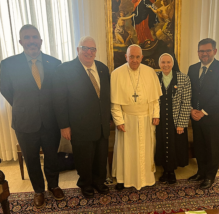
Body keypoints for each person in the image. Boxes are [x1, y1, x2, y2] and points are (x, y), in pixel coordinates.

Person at [0, 24, 64, 208]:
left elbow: (58, 92)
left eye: (34, 37)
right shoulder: (8, 64)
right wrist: (24, 106)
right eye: (27, 38)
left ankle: (54, 185)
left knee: (52, 157)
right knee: (32, 159)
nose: (31, 41)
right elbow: (6, 90)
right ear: (20, 41)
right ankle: (38, 191)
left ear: (41, 40)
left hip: (51, 122)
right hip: (25, 122)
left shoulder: (55, 63)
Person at [52, 36, 110, 199]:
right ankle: (85, 184)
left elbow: (107, 97)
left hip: (101, 125)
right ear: (78, 50)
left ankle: (99, 182)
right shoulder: (65, 70)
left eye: (92, 49)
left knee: (100, 157)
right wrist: (64, 125)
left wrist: (109, 119)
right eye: (85, 48)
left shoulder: (103, 69)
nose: (89, 52)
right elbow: (59, 99)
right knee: (84, 158)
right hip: (80, 125)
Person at [111, 44, 162, 190]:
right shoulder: (116, 73)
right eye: (131, 56)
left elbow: (154, 99)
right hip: (127, 119)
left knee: (145, 150)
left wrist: (156, 115)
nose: (134, 60)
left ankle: (145, 178)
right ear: (126, 56)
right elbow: (115, 103)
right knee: (126, 150)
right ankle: (123, 178)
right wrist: (119, 120)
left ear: (142, 57)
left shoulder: (150, 72)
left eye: (137, 57)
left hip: (146, 119)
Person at [187, 38, 219, 189]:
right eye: (201, 51)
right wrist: (192, 109)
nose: (204, 54)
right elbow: (190, 91)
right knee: (199, 146)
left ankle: (210, 177)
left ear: (214, 51)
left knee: (212, 148)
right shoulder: (192, 68)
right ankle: (200, 172)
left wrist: (203, 112)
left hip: (213, 117)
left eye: (207, 50)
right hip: (196, 117)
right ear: (198, 52)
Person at [155, 53, 191, 184]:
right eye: (163, 62)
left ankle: (172, 171)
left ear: (173, 63)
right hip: (159, 119)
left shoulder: (184, 78)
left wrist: (182, 123)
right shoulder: (155, 77)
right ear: (159, 64)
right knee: (162, 143)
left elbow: (186, 102)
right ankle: (165, 170)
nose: (166, 65)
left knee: (174, 144)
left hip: (175, 119)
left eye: (168, 62)